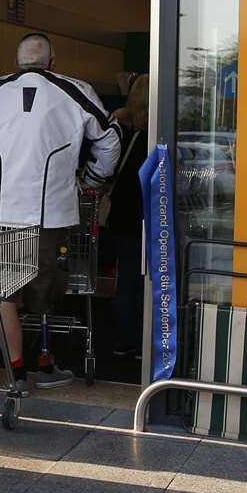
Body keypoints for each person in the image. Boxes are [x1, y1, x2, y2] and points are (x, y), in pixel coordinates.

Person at [0, 33, 120, 388]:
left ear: (16, 62)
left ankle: (16, 369)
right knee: (45, 295)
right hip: (51, 215)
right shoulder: (76, 92)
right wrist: (91, 179)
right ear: (52, 62)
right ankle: (41, 362)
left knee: (2, 292)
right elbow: (109, 142)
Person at [103, 73, 150, 358]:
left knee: (127, 279)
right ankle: (142, 340)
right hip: (144, 214)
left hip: (122, 214)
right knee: (146, 280)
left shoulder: (120, 126)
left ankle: (123, 339)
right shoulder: (154, 132)